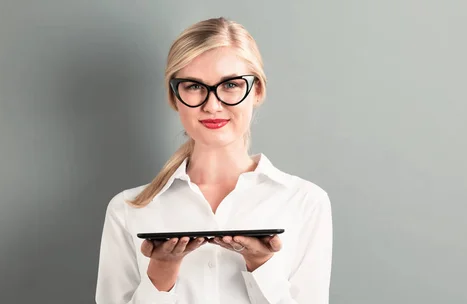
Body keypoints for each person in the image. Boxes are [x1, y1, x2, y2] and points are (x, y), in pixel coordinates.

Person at [95, 17, 333, 304]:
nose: (212, 105)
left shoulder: (305, 203)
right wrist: (161, 273)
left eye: (231, 84)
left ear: (256, 91)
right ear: (175, 97)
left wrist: (261, 265)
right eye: (194, 86)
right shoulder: (127, 210)